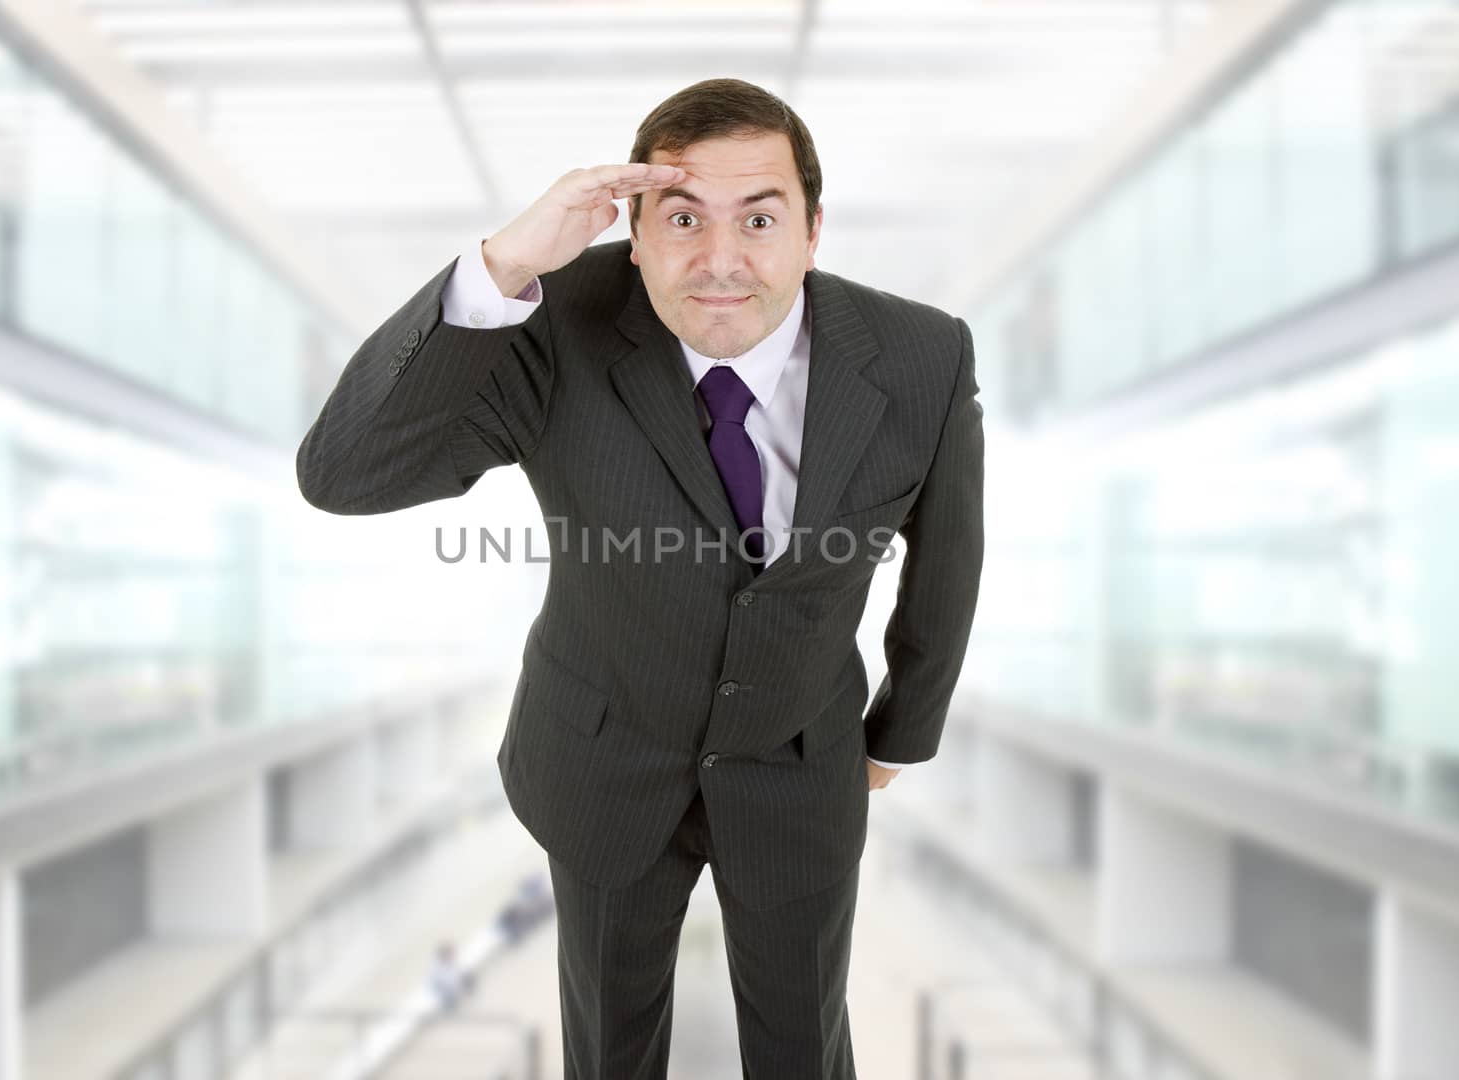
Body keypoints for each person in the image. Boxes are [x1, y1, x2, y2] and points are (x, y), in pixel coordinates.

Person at [297, 77, 984, 1079]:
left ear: (812, 230)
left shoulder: (921, 354)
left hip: (800, 762)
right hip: (602, 759)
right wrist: (500, 267)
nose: (719, 260)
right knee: (607, 1048)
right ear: (630, 231)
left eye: (759, 217)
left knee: (805, 1044)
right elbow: (343, 475)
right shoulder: (554, 323)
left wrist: (899, 731)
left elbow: (949, 552)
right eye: (679, 217)